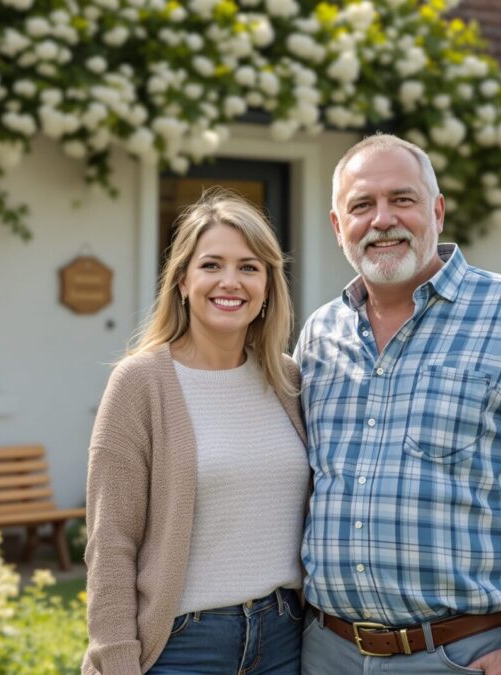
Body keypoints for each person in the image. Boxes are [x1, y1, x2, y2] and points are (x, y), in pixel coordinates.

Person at [293, 133, 501, 675]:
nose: (382, 220)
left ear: (437, 211)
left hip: (464, 656)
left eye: (402, 199)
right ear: (338, 227)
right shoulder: (319, 335)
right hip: (324, 652)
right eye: (361, 205)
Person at [83, 189, 309, 675]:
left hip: (285, 637)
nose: (231, 281)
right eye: (212, 265)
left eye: (249, 267)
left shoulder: (288, 381)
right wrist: (116, 659)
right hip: (182, 646)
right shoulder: (140, 383)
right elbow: (111, 543)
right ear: (182, 280)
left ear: (268, 286)